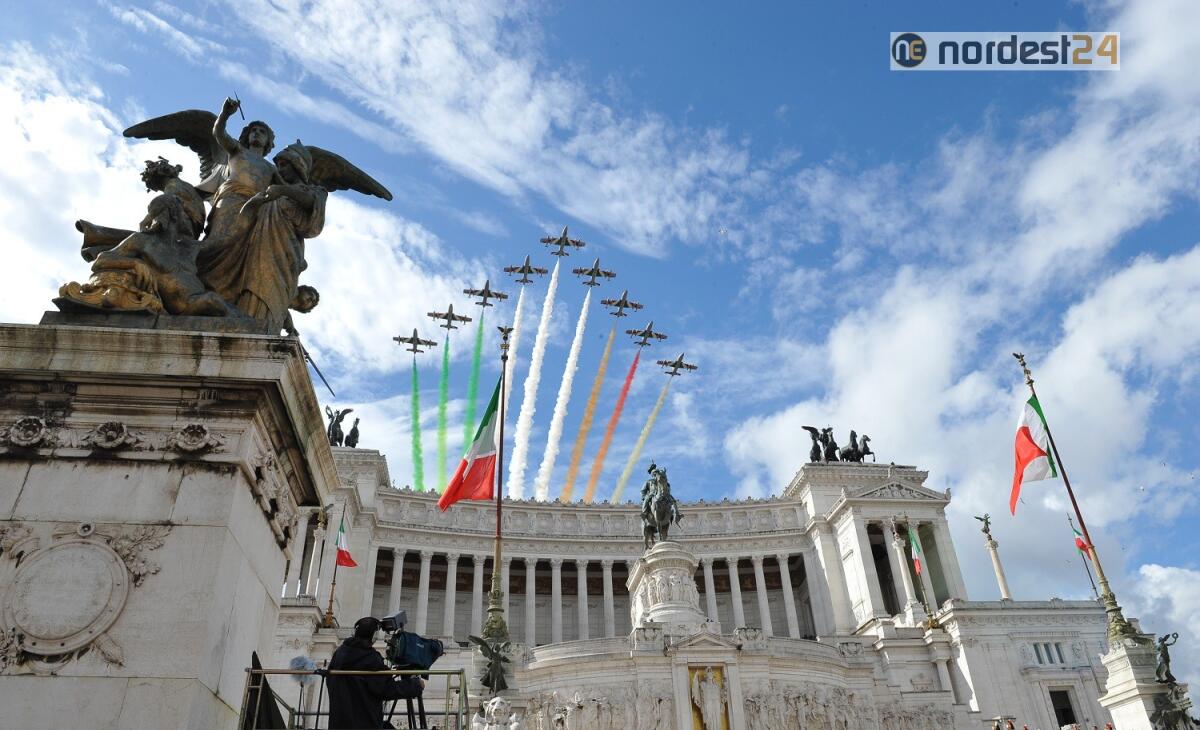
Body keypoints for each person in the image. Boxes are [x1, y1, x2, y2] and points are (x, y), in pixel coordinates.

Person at [327, 617, 422, 729]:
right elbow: (386, 689)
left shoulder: (339, 653)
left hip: (338, 722)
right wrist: (415, 685)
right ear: (373, 636)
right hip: (365, 723)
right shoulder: (370, 658)